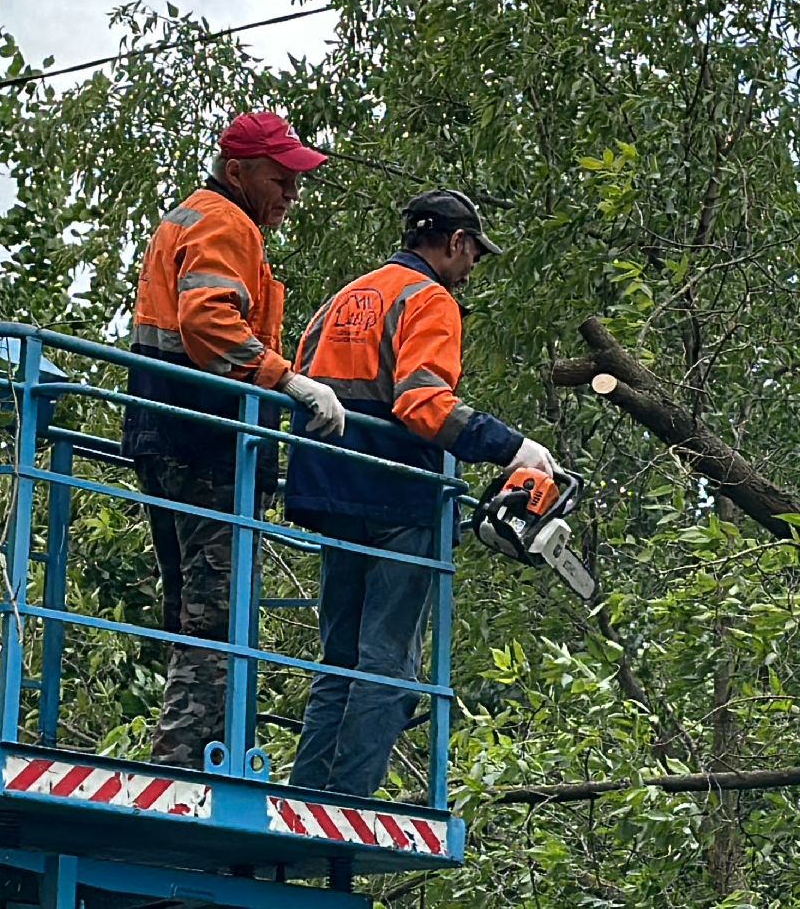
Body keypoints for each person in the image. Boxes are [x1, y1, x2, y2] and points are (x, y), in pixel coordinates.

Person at [285, 188, 557, 798]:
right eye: (473, 255)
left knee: (339, 660)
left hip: (329, 487)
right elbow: (421, 403)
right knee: (388, 663)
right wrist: (513, 448)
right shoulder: (429, 299)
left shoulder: (343, 299)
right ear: (456, 242)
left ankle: (305, 794)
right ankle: (347, 804)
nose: (471, 269)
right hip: (396, 494)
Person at [121, 111, 347, 769]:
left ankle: (186, 748)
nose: (291, 196)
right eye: (282, 180)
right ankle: (183, 761)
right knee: (218, 614)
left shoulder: (190, 217)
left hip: (165, 432)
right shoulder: (225, 223)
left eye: (297, 184)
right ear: (238, 171)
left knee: (190, 603)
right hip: (205, 439)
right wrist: (289, 381)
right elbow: (208, 321)